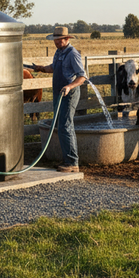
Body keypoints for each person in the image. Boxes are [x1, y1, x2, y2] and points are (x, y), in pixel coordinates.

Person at [31, 26, 87, 172]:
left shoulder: (73, 54)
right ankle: (67, 159)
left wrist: (69, 86)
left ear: (67, 39)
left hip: (69, 93)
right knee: (61, 126)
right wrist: (42, 68)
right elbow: (54, 67)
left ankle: (72, 162)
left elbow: (82, 76)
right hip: (58, 92)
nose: (56, 43)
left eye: (59, 40)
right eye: (55, 40)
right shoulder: (59, 52)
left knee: (66, 125)